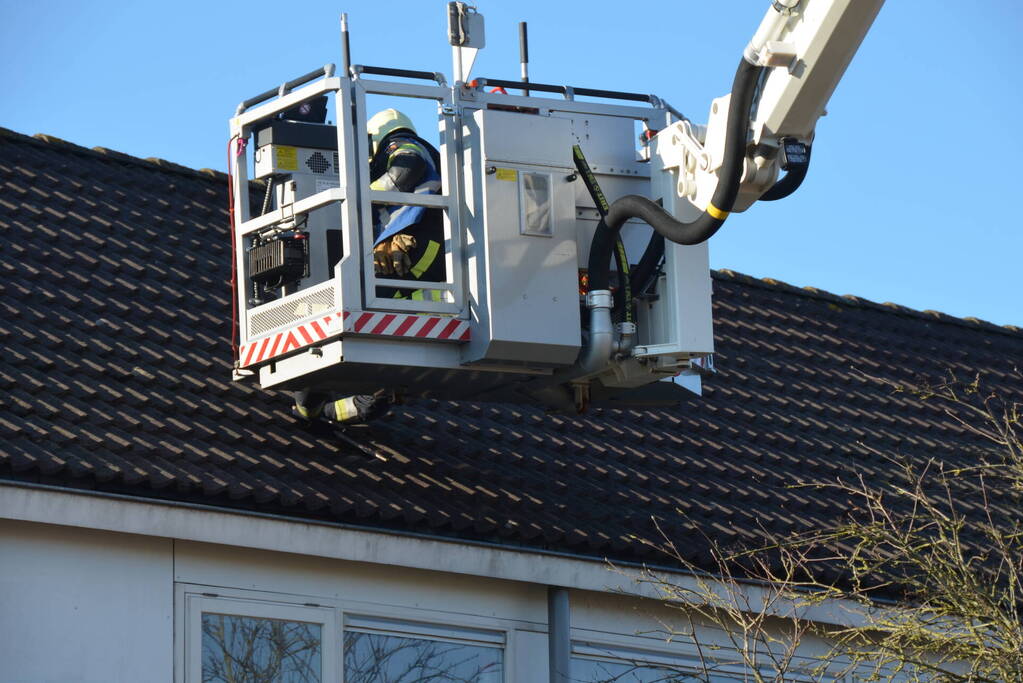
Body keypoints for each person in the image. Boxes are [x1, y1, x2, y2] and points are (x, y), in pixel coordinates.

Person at [293, 109, 445, 424]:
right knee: (372, 316)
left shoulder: (400, 144)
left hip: (412, 248)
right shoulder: (431, 152)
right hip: (419, 252)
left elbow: (407, 167)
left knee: (344, 300)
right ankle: (330, 408)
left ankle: (309, 398)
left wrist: (359, 196)